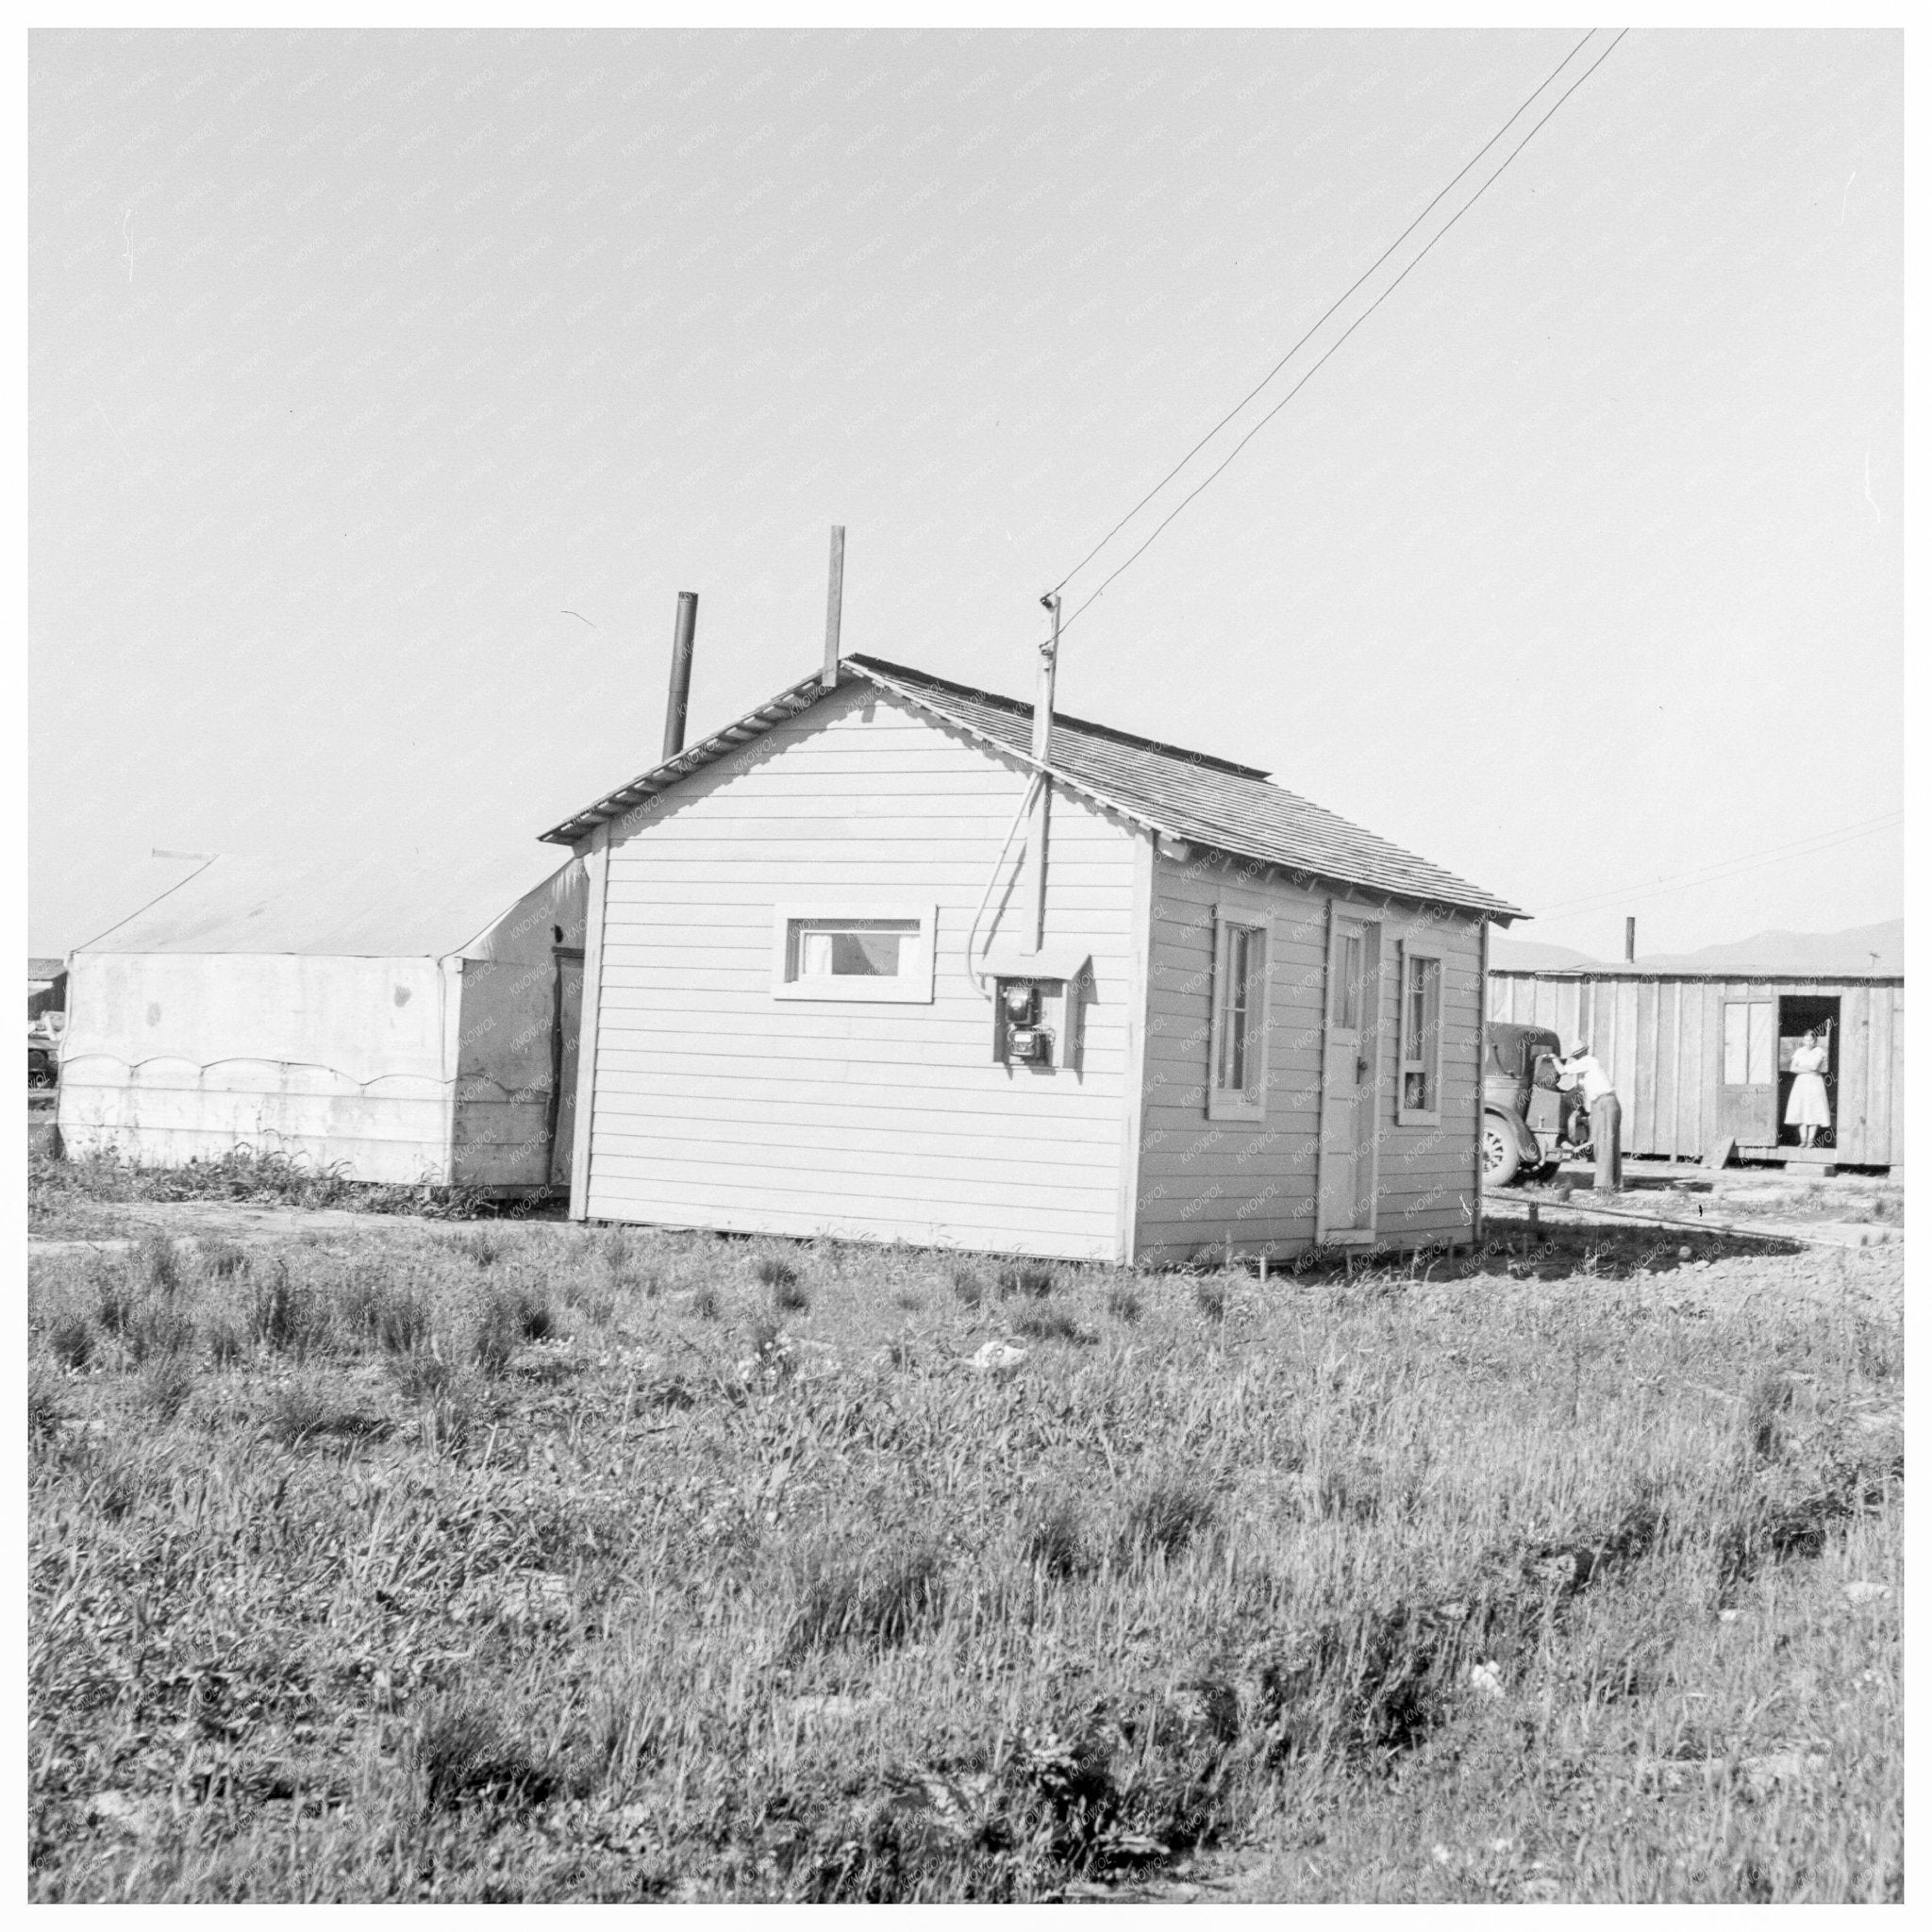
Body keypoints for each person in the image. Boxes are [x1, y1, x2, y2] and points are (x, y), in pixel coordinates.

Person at [1785, 1029, 1831, 1150]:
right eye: (1806, 1040)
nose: (1808, 1042)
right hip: (1801, 1083)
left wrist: (1801, 1067)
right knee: (1802, 1109)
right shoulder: (1799, 1051)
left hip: (1815, 1083)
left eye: (1811, 1040)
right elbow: (1793, 1068)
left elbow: (1815, 1066)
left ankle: (1811, 1140)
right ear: (1803, 1040)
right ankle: (1803, 1140)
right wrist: (1807, 1070)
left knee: (1814, 1109)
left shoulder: (1819, 1051)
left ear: (1815, 1040)